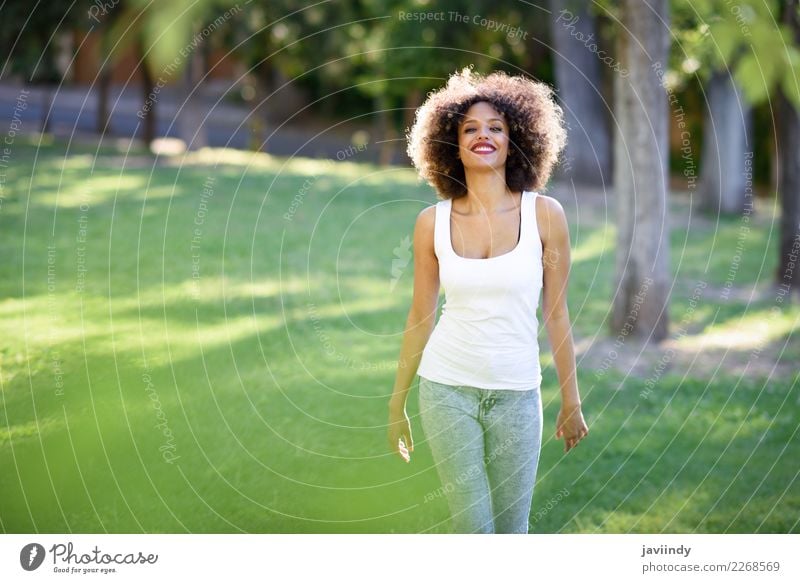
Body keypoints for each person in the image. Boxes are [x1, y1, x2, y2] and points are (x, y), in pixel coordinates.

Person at [386, 68, 589, 534]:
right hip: (446, 389)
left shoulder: (545, 216)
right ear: (450, 144)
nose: (483, 136)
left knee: (511, 530)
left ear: (517, 139)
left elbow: (556, 314)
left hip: (517, 393)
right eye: (470, 128)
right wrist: (396, 405)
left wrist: (571, 402)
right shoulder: (429, 223)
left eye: (496, 127)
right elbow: (420, 316)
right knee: (473, 529)